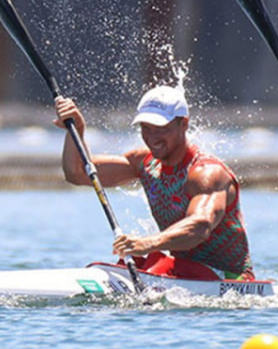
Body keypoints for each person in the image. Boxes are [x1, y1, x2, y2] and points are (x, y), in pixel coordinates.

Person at [54, 85, 254, 281]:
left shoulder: (207, 173)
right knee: (132, 263)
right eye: (146, 129)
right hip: (180, 272)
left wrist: (148, 243)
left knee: (156, 260)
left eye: (161, 129)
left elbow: (200, 226)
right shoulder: (144, 163)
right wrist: (77, 129)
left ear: (183, 124)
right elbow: (78, 173)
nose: (152, 138)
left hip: (229, 278)